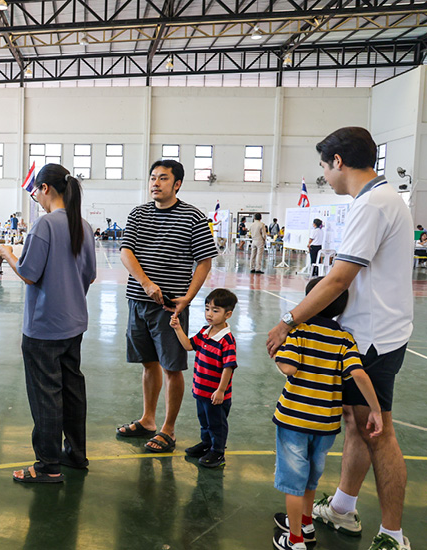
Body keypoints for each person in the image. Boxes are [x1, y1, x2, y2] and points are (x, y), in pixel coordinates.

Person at [266, 127, 413, 550]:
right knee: (357, 424)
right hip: (379, 330)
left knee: (378, 431)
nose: (324, 175)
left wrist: (287, 321)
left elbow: (337, 280)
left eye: (323, 166)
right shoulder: (383, 200)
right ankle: (343, 509)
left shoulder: (372, 205)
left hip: (372, 338)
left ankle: (393, 535)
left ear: (338, 162)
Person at [0, 164, 97, 483]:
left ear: (46, 190)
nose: (36, 198)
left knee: (46, 395)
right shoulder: (83, 225)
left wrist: (7, 253)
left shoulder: (45, 226)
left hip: (44, 327)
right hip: (73, 323)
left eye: (36, 191)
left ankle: (48, 466)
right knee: (71, 390)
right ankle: (76, 454)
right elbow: (90, 275)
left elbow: (28, 273)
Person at [271, 278, 383, 550]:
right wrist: (376, 409)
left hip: (294, 420)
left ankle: (295, 539)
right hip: (326, 423)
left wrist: (277, 356)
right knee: (310, 477)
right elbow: (357, 373)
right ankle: (306, 524)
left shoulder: (299, 331)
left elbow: (288, 368)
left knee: (293, 483)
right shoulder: (344, 338)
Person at [116, 159, 218, 453]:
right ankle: (148, 419)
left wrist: (188, 297)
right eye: (152, 178)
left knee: (172, 367)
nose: (155, 183)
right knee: (148, 364)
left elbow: (204, 260)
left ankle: (168, 429)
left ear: (177, 184)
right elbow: (126, 252)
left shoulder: (193, 218)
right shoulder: (138, 214)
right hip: (138, 301)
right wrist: (146, 284)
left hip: (170, 308)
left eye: (162, 178)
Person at [169, 288, 238, 468]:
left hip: (216, 394)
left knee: (217, 424)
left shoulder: (227, 340)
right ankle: (206, 444)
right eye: (207, 309)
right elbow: (189, 345)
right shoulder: (205, 332)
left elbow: (228, 367)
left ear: (228, 314)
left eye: (215, 310)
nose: (209, 314)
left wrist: (221, 390)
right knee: (204, 421)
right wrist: (178, 328)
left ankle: (218, 452)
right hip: (201, 389)